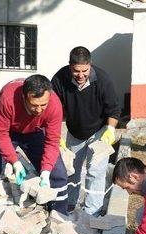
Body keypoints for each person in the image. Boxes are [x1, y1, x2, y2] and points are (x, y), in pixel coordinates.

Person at [0, 74, 68, 215]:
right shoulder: (8, 99)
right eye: (34, 105)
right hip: (4, 129)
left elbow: (52, 140)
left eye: (43, 105)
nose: (40, 110)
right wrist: (15, 163)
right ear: (24, 97)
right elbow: (0, 134)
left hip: (34, 131)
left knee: (58, 173)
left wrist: (46, 171)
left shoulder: (54, 104)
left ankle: (59, 218)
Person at [51, 46, 121, 216]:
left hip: (99, 131)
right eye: (76, 71)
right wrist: (55, 134)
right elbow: (52, 109)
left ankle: (92, 211)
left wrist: (110, 130)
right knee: (70, 170)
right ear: (70, 67)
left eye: (85, 70)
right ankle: (68, 205)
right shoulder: (60, 79)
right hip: (75, 132)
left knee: (95, 172)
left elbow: (114, 109)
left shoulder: (103, 80)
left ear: (90, 65)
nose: (81, 75)